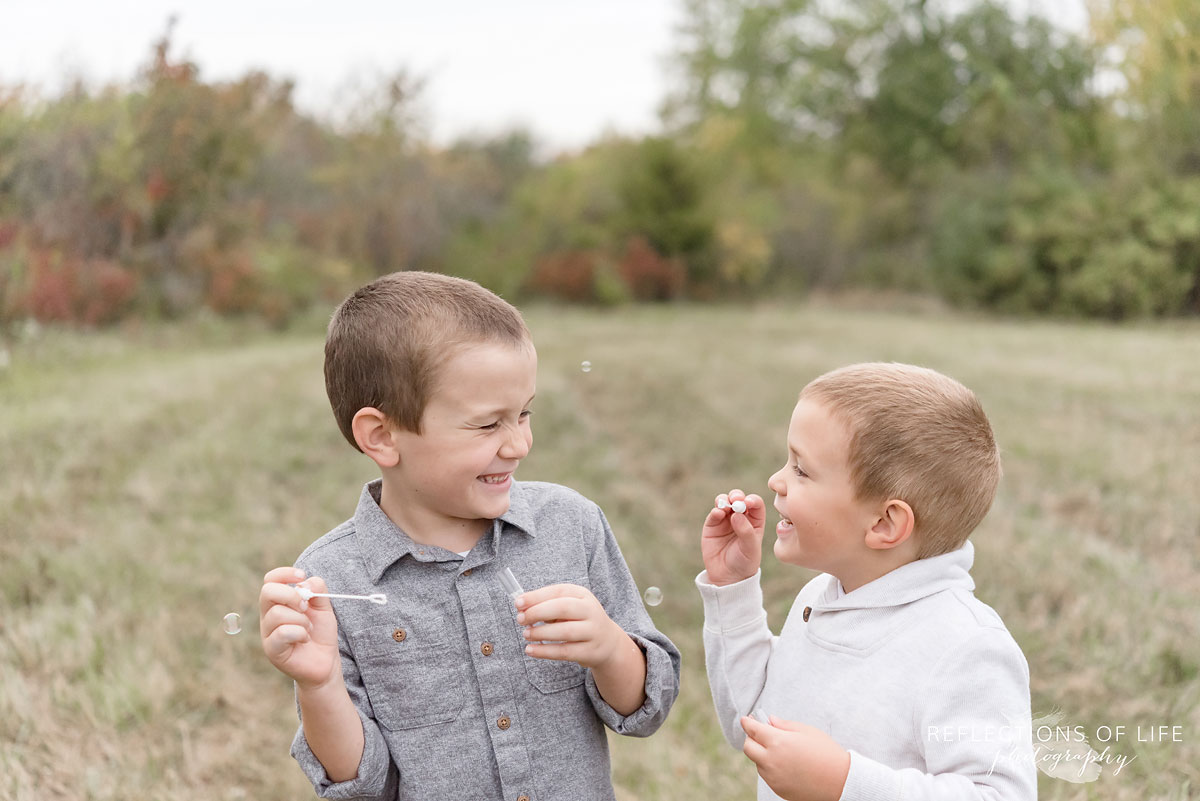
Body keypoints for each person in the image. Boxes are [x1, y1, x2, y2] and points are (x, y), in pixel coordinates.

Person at [260, 271, 680, 801]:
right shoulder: (333, 582)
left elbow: (646, 709)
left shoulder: (569, 525)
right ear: (382, 436)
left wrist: (610, 649)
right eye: (488, 425)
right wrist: (318, 686)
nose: (519, 444)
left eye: (524, 413)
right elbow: (360, 785)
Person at [697, 362, 1036, 800]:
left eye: (802, 469)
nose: (776, 480)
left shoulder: (965, 647)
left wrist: (844, 783)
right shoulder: (821, 599)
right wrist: (732, 587)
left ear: (884, 522)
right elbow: (754, 727)